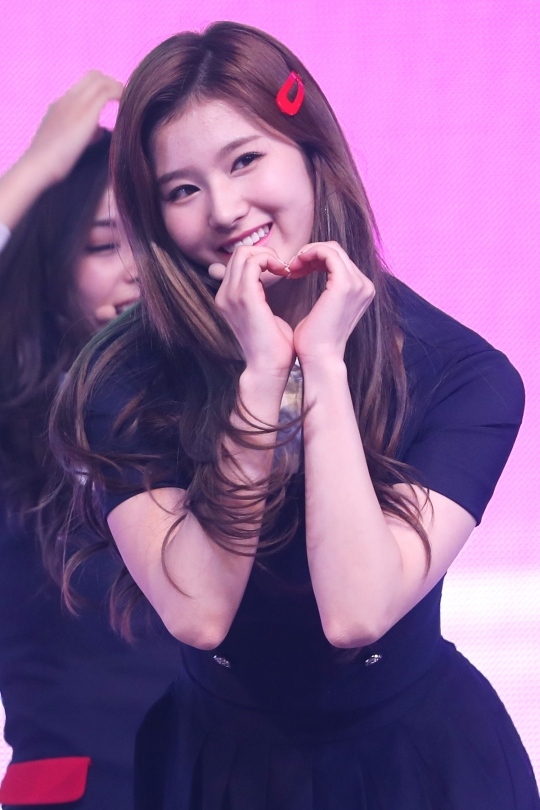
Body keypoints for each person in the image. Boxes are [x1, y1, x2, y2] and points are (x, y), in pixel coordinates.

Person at [48, 23, 539, 810]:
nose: (224, 209)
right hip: (217, 763)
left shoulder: (465, 376)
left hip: (417, 765)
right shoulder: (124, 375)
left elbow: (357, 611)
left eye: (245, 160)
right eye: (182, 190)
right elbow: (198, 610)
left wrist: (326, 365)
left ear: (311, 152)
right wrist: (262, 375)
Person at [0, 73, 181, 809]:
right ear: (51, 262)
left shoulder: (227, 393)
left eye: (153, 242)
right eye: (105, 244)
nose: (138, 270)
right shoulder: (12, 420)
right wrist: (35, 171)